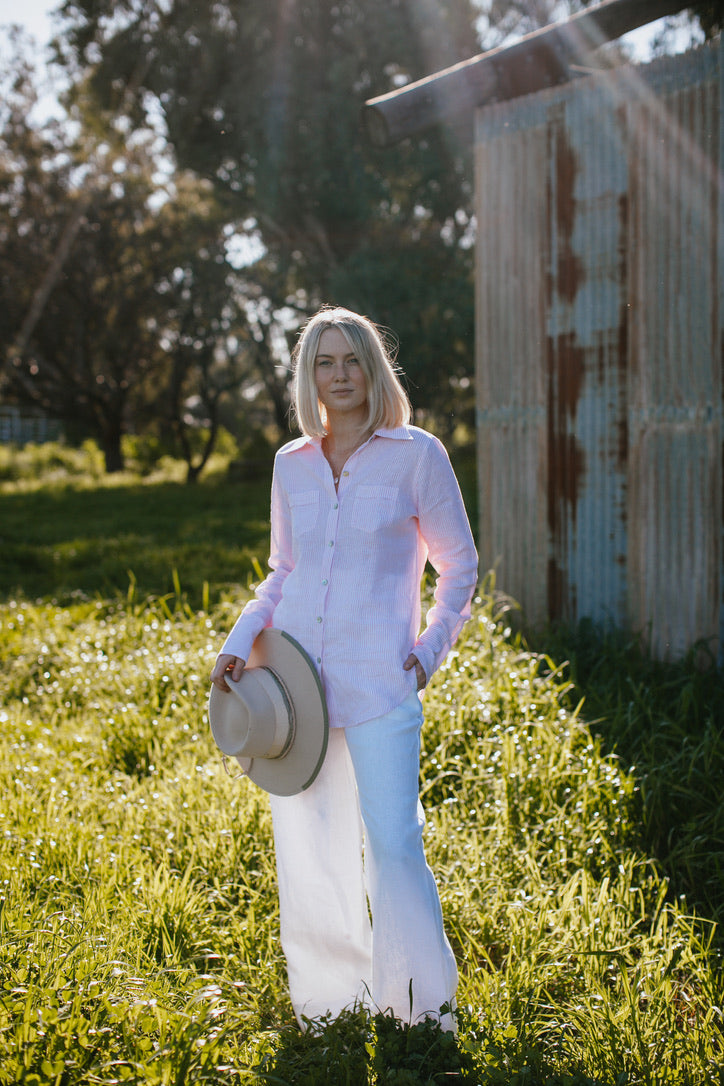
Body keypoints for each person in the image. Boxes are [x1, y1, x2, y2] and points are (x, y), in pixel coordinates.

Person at [210, 306, 478, 1031]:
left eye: (352, 360)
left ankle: (420, 1013)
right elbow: (282, 571)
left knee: (393, 847)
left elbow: (460, 566)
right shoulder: (289, 464)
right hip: (293, 686)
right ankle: (330, 1008)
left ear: (373, 368)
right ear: (309, 375)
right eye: (325, 362)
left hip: (382, 683)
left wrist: (427, 653)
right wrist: (239, 639)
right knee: (308, 852)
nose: (340, 375)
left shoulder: (416, 454)